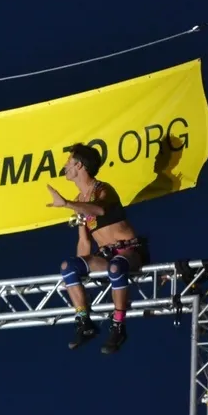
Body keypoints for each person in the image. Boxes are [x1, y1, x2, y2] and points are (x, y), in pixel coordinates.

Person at [46, 143, 151, 354]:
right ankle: (84, 322)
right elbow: (84, 241)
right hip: (106, 255)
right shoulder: (78, 201)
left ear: (79, 166)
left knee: (116, 267)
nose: (65, 166)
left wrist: (66, 204)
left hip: (130, 251)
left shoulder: (103, 189)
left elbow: (100, 209)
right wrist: (82, 269)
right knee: (68, 266)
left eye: (68, 162)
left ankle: (118, 325)